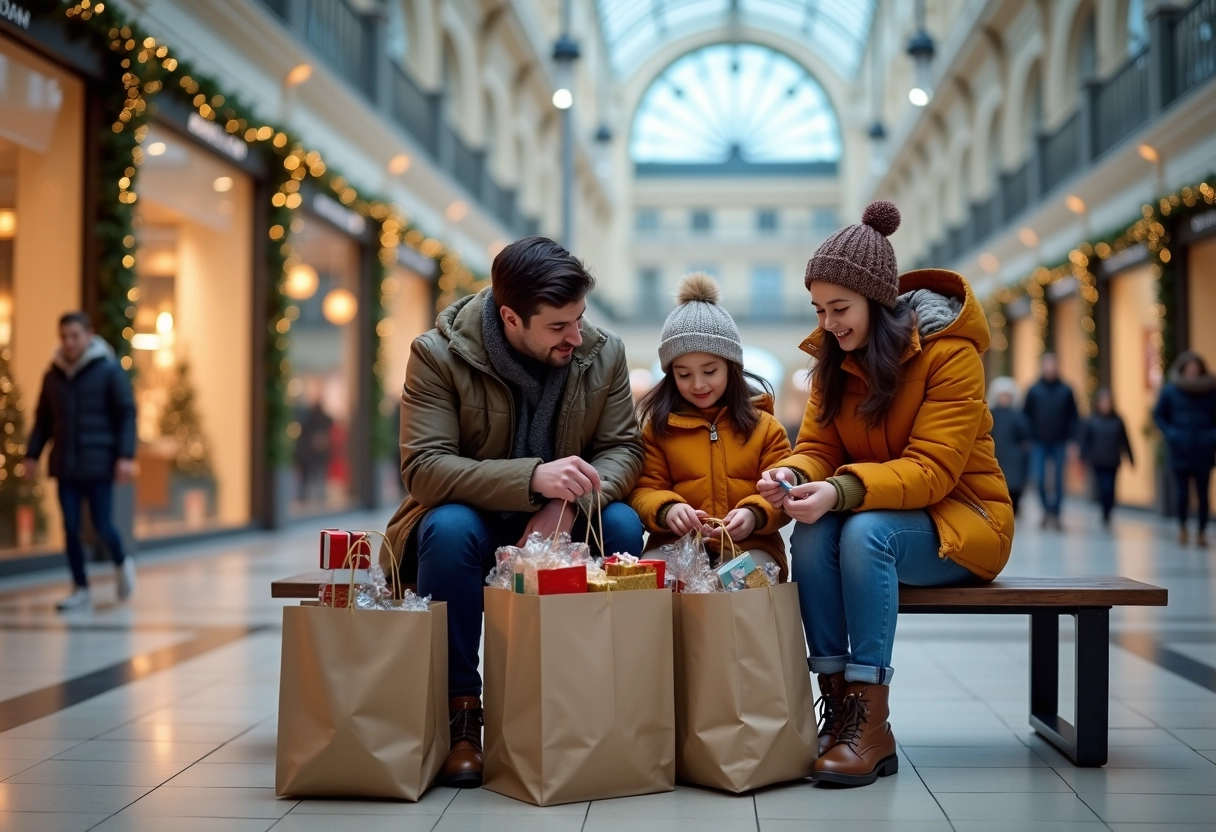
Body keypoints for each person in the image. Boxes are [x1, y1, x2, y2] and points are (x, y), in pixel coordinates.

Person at [758, 201, 1014, 788]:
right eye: (819, 309)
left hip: (965, 520)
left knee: (865, 532)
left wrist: (841, 489)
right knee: (817, 527)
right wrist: (794, 477)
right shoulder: (833, 362)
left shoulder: (950, 355)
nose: (828, 323)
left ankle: (871, 723)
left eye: (840, 309)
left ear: (878, 299)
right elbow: (818, 446)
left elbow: (932, 471)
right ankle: (837, 708)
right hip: (877, 512)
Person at [383, 237, 645, 788]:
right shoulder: (436, 354)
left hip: (565, 513)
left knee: (622, 524)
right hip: (469, 515)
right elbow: (425, 469)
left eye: (579, 319)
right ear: (510, 318)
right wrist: (531, 478)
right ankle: (461, 715)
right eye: (558, 327)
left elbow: (624, 449)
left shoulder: (604, 352)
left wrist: (564, 503)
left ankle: (597, 705)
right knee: (450, 529)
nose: (576, 337)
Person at [629, 273, 791, 576]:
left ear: (731, 367)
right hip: (677, 546)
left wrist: (754, 514)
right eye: (683, 374)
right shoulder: (659, 428)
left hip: (752, 546)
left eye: (710, 370)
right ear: (670, 374)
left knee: (735, 581)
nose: (698, 384)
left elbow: (782, 493)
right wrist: (667, 509)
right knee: (650, 578)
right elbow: (644, 489)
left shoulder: (766, 428)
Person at [25, 312, 137, 612]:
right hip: (66, 463)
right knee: (70, 526)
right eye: (64, 336)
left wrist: (125, 456)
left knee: (102, 526)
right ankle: (80, 587)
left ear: (89, 335)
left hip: (99, 462)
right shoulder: (53, 376)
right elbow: (43, 421)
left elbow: (126, 413)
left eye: (75, 335)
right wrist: (32, 455)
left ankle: (121, 560)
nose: (69, 342)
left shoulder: (109, 371)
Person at [1153, 351, 1216, 547]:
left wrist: (1211, 436)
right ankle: (1182, 528)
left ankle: (1202, 532)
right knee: (1181, 493)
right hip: (1179, 449)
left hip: (1203, 450)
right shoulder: (1170, 390)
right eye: (1189, 368)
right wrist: (1172, 433)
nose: (1193, 371)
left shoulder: (1211, 390)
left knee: (1203, 494)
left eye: (1196, 368)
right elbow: (1159, 415)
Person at [1023, 353, 1079, 529]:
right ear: (1042, 367)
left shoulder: (1066, 390)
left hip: (1060, 442)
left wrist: (1073, 441)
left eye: (1052, 365)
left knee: (1059, 481)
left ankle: (1056, 514)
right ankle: (1046, 511)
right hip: (1038, 442)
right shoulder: (1033, 390)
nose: (1050, 369)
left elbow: (1074, 418)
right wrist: (1027, 438)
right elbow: (1025, 416)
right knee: (1038, 479)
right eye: (1047, 365)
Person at [1080, 388, 1133, 526]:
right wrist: (1083, 457)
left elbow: (1125, 440)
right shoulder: (1092, 421)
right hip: (1098, 460)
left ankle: (1108, 511)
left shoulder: (1118, 420)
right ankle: (1105, 512)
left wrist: (1131, 458)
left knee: (1111, 488)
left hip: (1113, 460)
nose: (1106, 405)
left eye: (1108, 402)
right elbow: (1086, 441)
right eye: (1103, 402)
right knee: (1104, 487)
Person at [988, 376, 1032, 516]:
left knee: (1015, 484)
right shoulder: (990, 414)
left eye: (1007, 396)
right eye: (1002, 395)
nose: (1004, 398)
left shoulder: (1017, 415)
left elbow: (1025, 433)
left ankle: (1015, 507)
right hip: (997, 453)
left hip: (1014, 455)